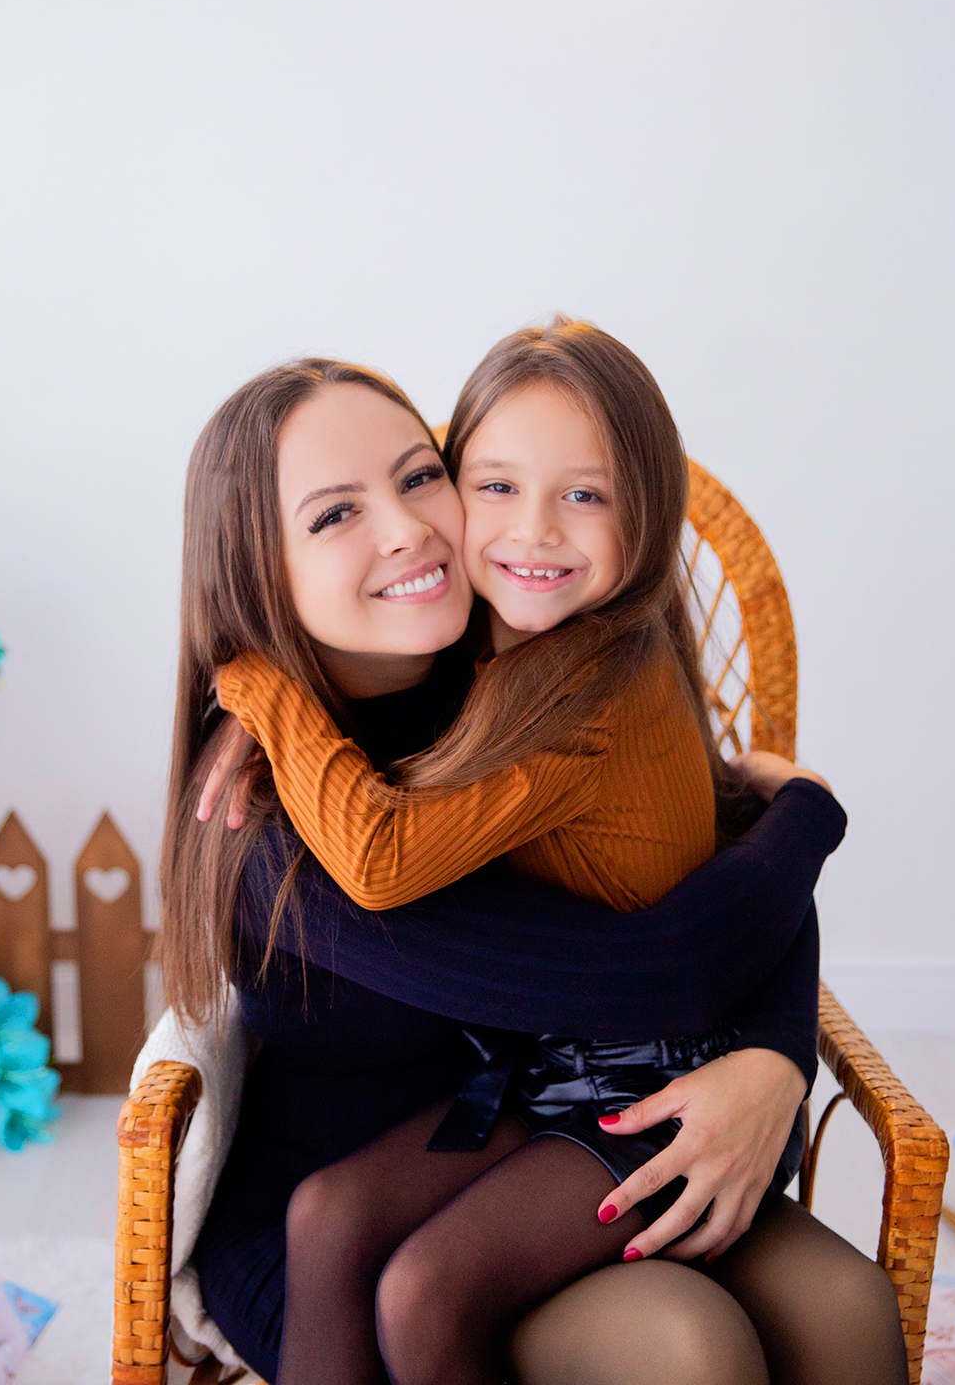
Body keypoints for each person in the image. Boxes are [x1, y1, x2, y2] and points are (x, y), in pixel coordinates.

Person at [159, 338, 905, 1385]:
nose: (411, 525)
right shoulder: (272, 820)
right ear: (254, 573)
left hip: (536, 1125)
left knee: (838, 1302)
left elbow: (721, 858)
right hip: (330, 1231)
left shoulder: (502, 664)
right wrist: (260, 690)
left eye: (421, 476)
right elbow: (673, 965)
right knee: (687, 1343)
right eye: (335, 512)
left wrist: (775, 1059)